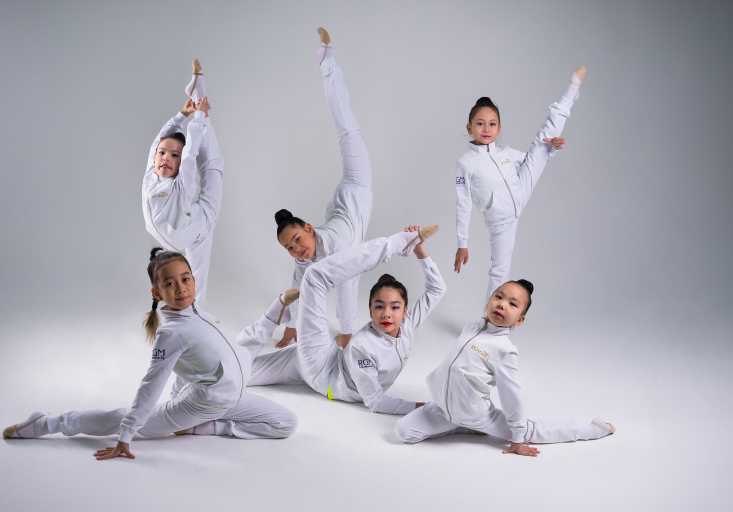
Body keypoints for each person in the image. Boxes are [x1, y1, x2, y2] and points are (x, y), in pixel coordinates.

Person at [3, 248, 298, 460]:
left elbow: (239, 351)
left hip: (229, 402)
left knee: (286, 423)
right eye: (170, 283)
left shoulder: (202, 315)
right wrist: (127, 434)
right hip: (199, 405)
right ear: (157, 293)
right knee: (121, 419)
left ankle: (204, 428)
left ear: (194, 280)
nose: (181, 288)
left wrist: (279, 305)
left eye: (185, 279)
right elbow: (151, 384)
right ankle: (44, 424)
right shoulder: (171, 333)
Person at [238, 226, 444, 415]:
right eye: (379, 307)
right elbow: (376, 402)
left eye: (395, 307)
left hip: (324, 365)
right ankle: (397, 243)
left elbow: (437, 290)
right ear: (370, 310)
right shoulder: (361, 345)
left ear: (405, 311)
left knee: (235, 374)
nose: (387, 314)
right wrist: (428, 409)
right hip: (320, 363)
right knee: (314, 277)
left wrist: (420, 252)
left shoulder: (406, 326)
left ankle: (275, 312)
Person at [394, 279, 614, 456]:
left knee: (529, 431)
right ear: (488, 303)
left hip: (477, 415)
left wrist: (517, 436)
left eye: (512, 304)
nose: (501, 304)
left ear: (519, 320)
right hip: (442, 409)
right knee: (403, 432)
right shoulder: (471, 328)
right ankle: (461, 426)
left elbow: (511, 394)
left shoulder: (504, 349)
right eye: (498, 297)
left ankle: (593, 429)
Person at [273, 28, 373, 350]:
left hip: (356, 185)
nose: (296, 249)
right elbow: (297, 284)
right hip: (343, 208)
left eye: (296, 240)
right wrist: (291, 326)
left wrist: (345, 332)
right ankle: (327, 61)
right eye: (289, 248)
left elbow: (347, 286)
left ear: (307, 228)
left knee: (348, 131)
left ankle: (327, 61)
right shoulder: (305, 257)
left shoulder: (337, 246)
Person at [453, 67, 586, 305]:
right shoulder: (466, 164)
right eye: (480, 124)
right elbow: (463, 204)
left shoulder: (505, 152)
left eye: (492, 124)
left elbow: (533, 160)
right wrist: (462, 244)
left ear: (499, 129)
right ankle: (488, 321)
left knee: (541, 143)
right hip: (501, 221)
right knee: (499, 272)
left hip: (520, 192)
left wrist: (551, 147)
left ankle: (570, 94)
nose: (486, 129)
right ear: (469, 128)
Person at [142, 58, 222, 309]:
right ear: (155, 158)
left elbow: (189, 157)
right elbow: (158, 142)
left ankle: (200, 97)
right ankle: (199, 94)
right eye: (163, 154)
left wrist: (199, 117)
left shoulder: (180, 185)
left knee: (211, 166)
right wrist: (182, 116)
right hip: (187, 230)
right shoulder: (151, 177)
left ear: (179, 164)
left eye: (173, 156)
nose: (166, 158)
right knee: (211, 165)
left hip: (200, 222)